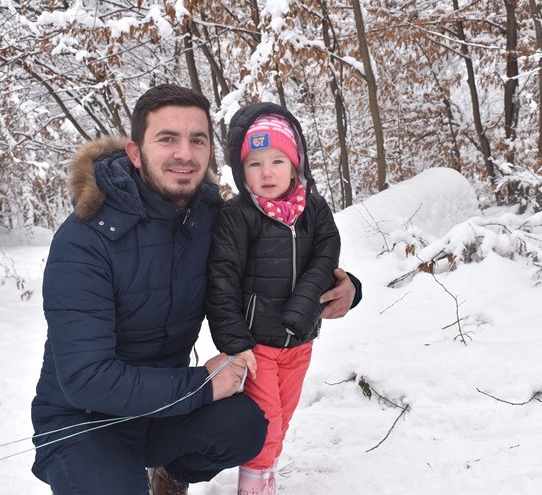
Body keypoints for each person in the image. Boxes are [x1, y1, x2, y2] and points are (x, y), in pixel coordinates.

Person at [30, 84, 362, 495]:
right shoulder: (85, 240)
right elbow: (87, 379)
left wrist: (347, 287)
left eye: (197, 140)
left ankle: (171, 473)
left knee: (246, 424)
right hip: (85, 419)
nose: (184, 154)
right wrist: (201, 385)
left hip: (164, 408)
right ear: (135, 152)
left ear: (210, 152)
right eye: (167, 139)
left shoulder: (210, 217)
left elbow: (274, 264)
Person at [205, 104, 341, 494]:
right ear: (241, 170)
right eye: (255, 163)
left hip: (301, 341)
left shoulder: (314, 209)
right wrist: (235, 341)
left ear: (295, 166)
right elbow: (222, 279)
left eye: (277, 161)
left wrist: (306, 304)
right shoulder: (238, 215)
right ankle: (252, 484)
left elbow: (327, 255)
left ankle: (266, 475)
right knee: (267, 420)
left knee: (284, 416)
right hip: (257, 345)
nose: (267, 173)